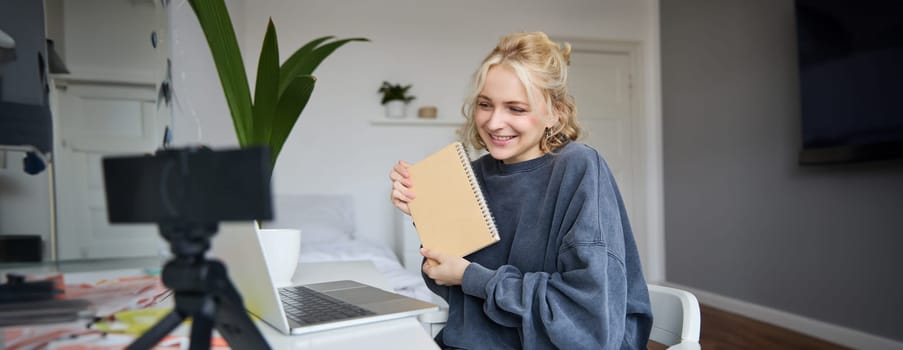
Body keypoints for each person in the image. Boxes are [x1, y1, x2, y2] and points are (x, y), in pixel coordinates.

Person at [389, 32, 652, 349]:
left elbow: (586, 319)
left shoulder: (579, 168)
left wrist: (471, 277)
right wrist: (426, 215)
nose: (495, 122)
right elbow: (451, 286)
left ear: (555, 113)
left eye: (515, 108)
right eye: (485, 104)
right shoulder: (475, 173)